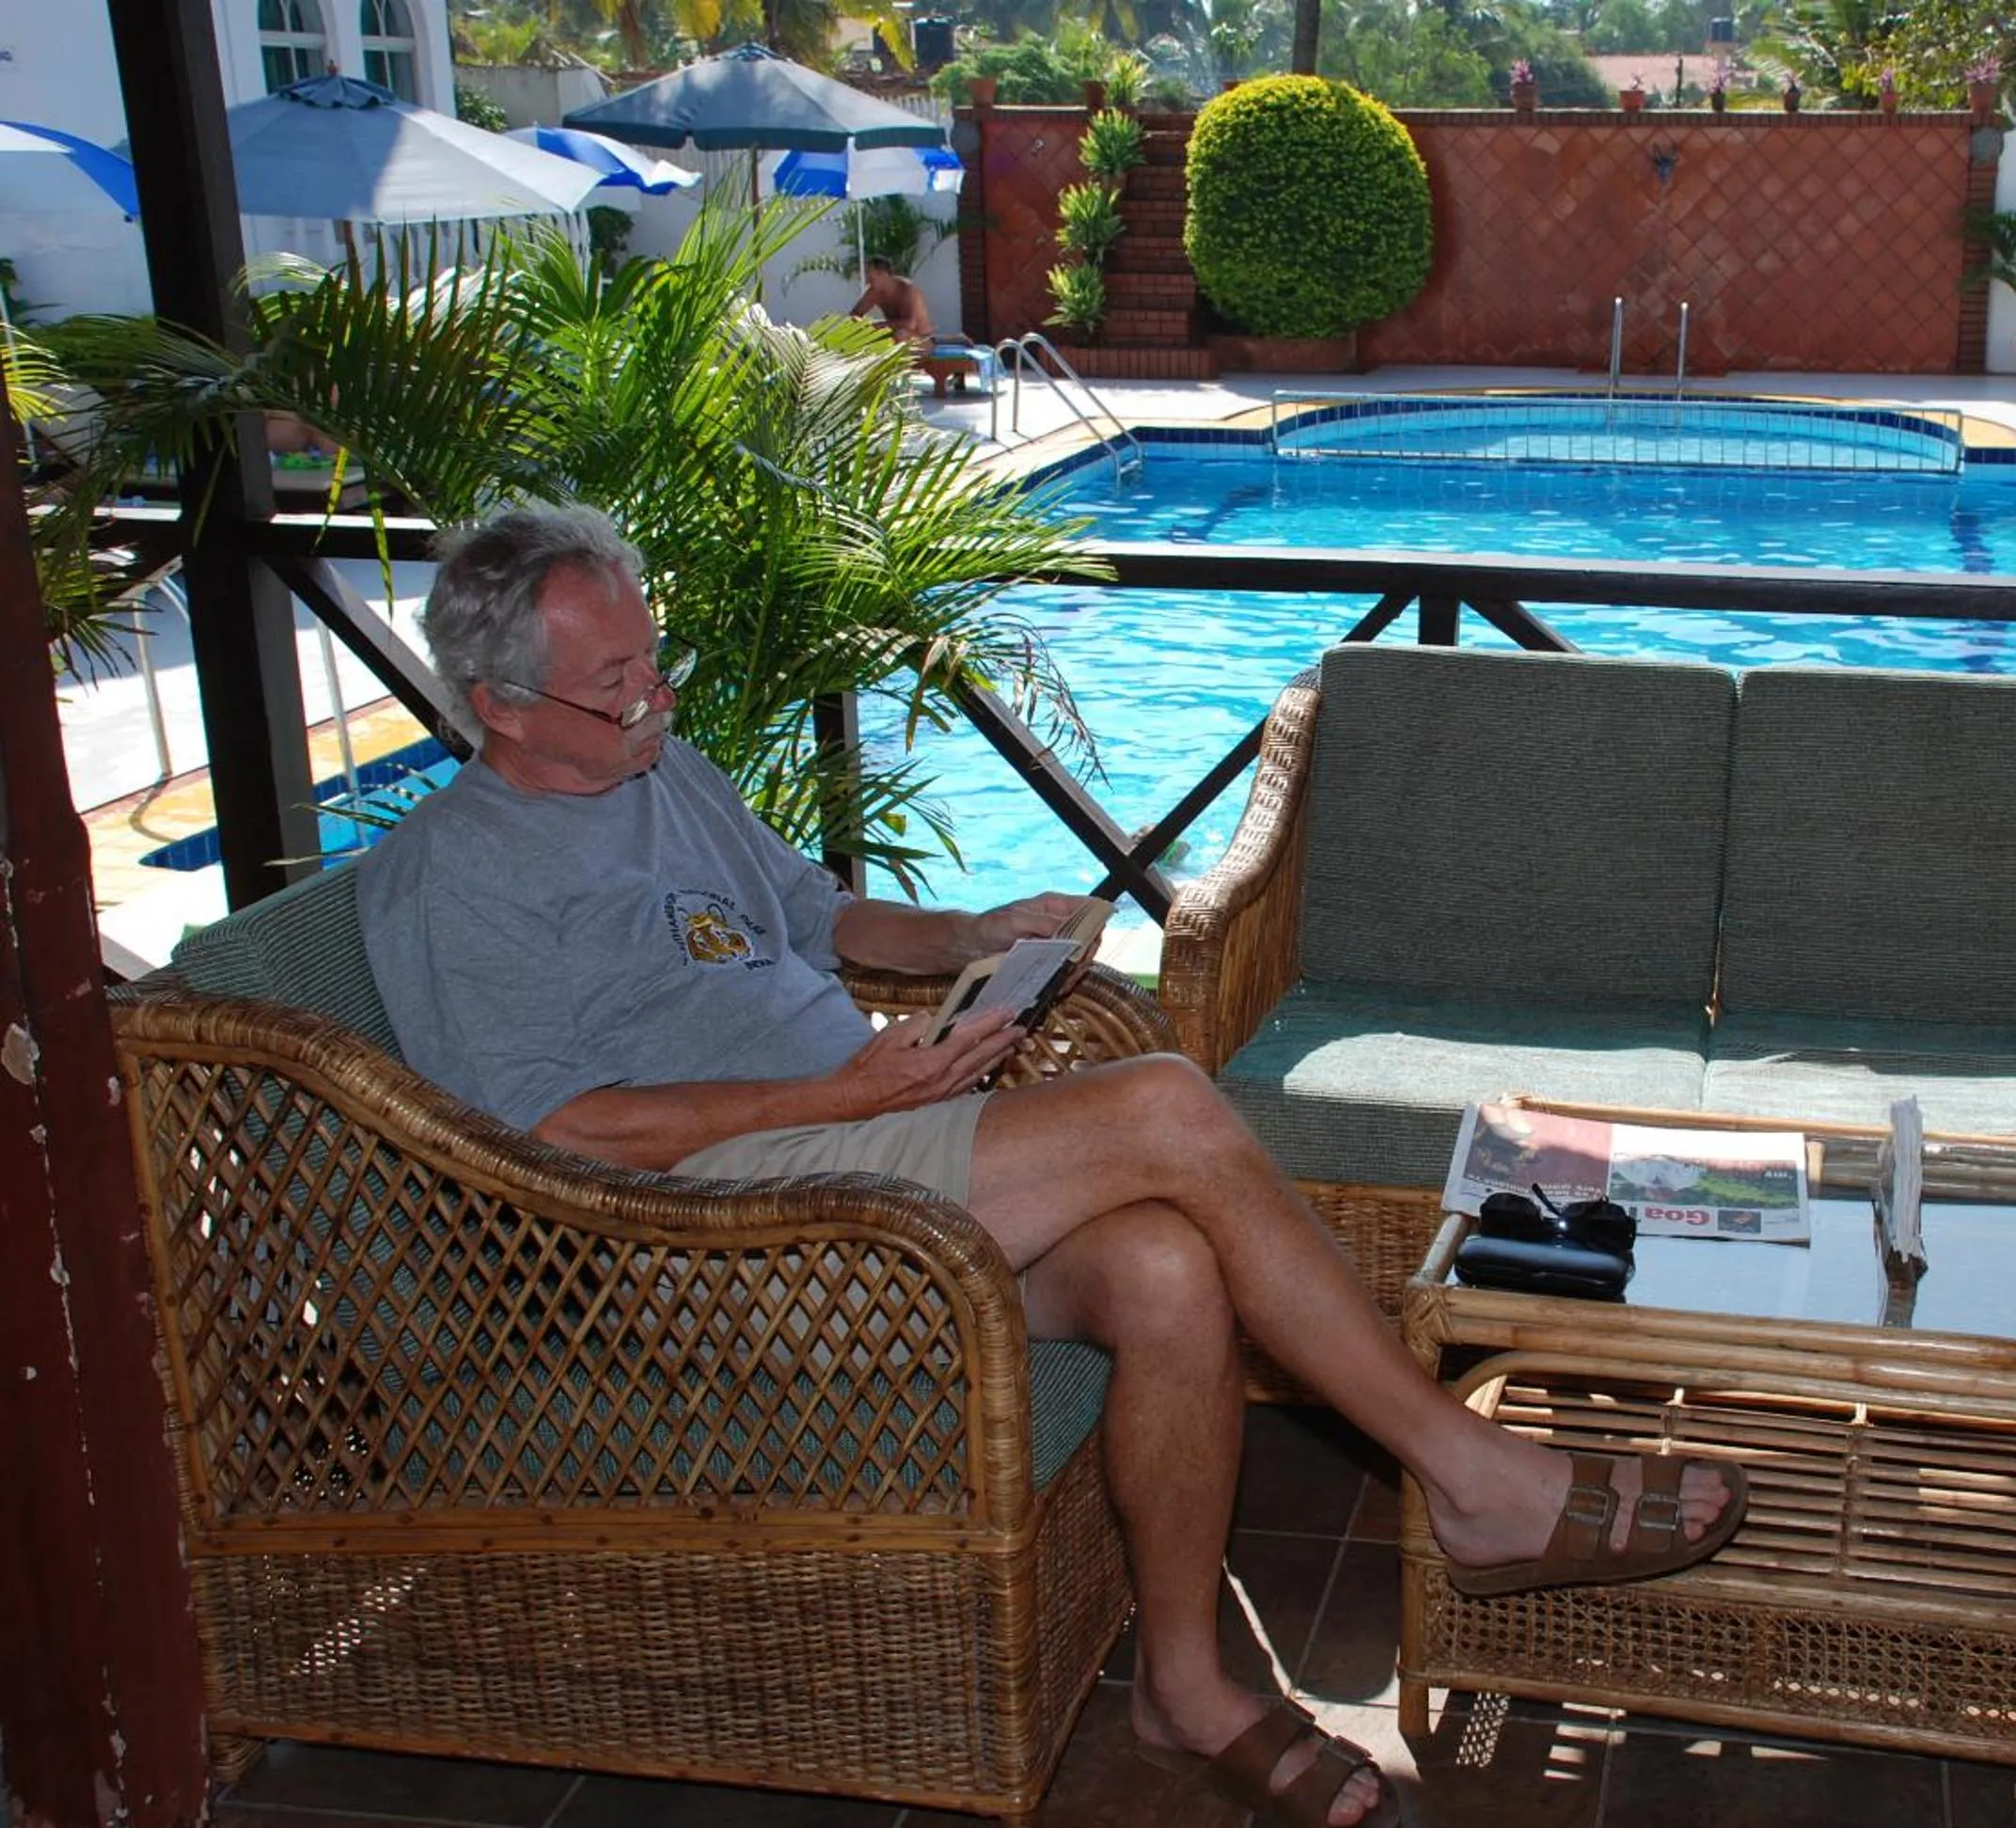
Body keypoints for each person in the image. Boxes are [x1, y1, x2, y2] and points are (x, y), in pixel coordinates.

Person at [360, 503, 1747, 1828]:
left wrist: (982, 927)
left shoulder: (668, 775)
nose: (656, 694)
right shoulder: (451, 874)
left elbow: (824, 914)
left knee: (1166, 1264)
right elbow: (550, 1134)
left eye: (654, 658)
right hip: (705, 1231)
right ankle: (1464, 1474)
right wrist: (833, 1088)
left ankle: (1185, 1691)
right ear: (499, 706)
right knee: (1161, 1107)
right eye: (618, 681)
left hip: (849, 1143)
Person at [846, 255, 975, 394]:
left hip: (923, 341)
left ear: (883, 274)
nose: (867, 280)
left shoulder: (908, 290)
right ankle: (865, 382)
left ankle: (899, 384)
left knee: (901, 334)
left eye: (870, 276)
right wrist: (861, 326)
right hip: (898, 335)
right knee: (864, 334)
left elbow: (909, 324)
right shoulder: (874, 292)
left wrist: (877, 326)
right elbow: (855, 314)